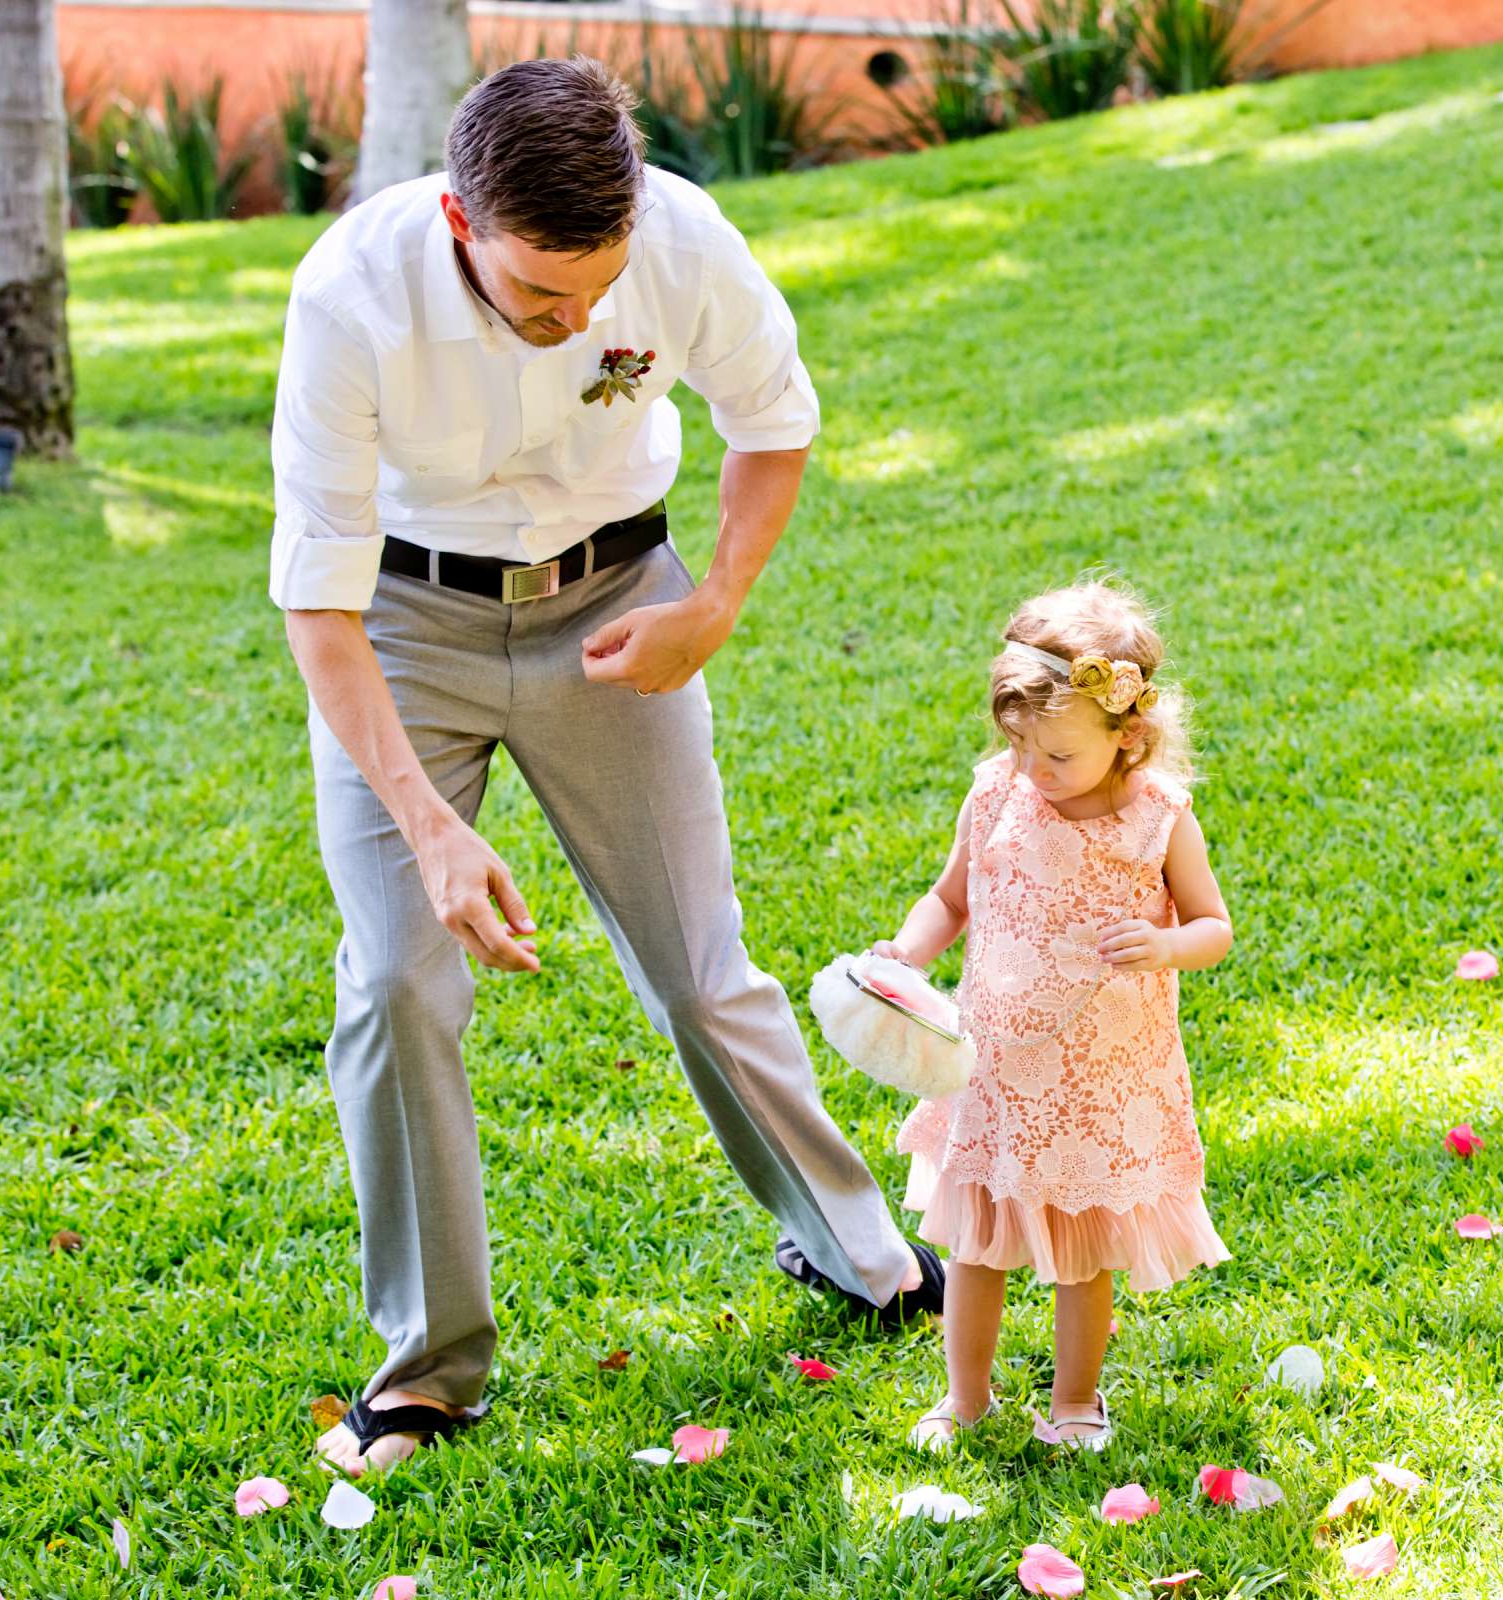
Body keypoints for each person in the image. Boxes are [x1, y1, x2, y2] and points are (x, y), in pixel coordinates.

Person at [267, 57, 940, 1478]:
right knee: (393, 980)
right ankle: (432, 1368)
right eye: (540, 302)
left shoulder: (682, 238)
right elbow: (317, 608)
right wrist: (430, 831)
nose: (578, 322)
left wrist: (714, 608)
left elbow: (775, 421)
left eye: (597, 293)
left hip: (613, 602)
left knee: (704, 966)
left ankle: (862, 1257)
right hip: (404, 624)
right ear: (461, 221)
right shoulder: (349, 296)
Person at [879, 583, 1234, 1452]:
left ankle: (1076, 1399)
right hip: (998, 1069)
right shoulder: (999, 794)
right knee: (976, 1244)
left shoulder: (1159, 820)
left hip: (1101, 1077)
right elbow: (949, 896)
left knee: (1082, 1257)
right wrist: (905, 952)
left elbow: (1214, 929)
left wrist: (1164, 946)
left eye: (1060, 756)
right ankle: (967, 1397)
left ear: (1129, 734)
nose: (1036, 772)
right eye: (1021, 747)